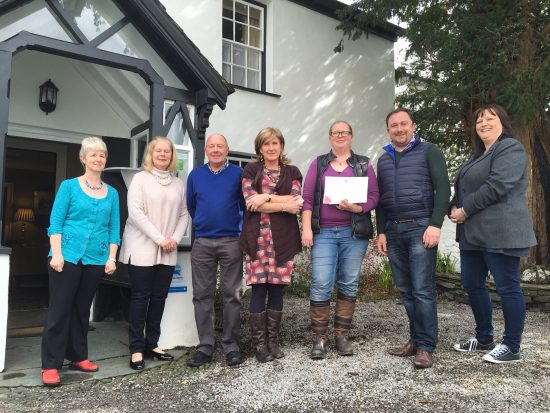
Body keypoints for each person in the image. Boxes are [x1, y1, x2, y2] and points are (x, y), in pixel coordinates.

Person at [449, 104, 536, 364]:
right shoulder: (477, 155)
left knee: (507, 287)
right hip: (472, 234)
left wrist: (465, 210)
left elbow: (497, 185)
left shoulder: (510, 148)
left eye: (490, 118)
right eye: (479, 120)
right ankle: (484, 338)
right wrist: (453, 206)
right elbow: (465, 188)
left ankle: (512, 346)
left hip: (501, 231)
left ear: (503, 122)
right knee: (471, 283)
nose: (483, 123)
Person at [41, 137, 120, 387]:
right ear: (83, 159)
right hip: (66, 255)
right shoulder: (69, 187)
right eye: (93, 155)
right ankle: (50, 364)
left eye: (102, 155)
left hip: (96, 258)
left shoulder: (113, 193)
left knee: (82, 309)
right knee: (60, 309)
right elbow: (55, 222)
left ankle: (78, 356)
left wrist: (111, 257)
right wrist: (56, 254)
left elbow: (114, 228)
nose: (98, 159)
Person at [376, 108, 450, 369]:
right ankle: (415, 340)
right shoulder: (383, 159)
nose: (399, 129)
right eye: (394, 125)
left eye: (403, 124)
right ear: (388, 130)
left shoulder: (429, 151)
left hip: (420, 227)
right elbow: (381, 199)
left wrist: (435, 224)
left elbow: (443, 189)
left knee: (422, 290)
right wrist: (381, 231)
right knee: (406, 290)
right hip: (394, 230)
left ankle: (426, 347)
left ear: (413, 126)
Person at [301, 121, 379, 359]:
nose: (340, 136)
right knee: (321, 281)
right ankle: (319, 338)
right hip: (323, 232)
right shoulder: (318, 164)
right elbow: (307, 199)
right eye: (335, 133)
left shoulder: (363, 164)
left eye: (344, 132)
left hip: (353, 233)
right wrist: (306, 229)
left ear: (351, 136)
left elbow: (375, 196)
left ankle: (341, 335)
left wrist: (358, 208)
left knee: (349, 283)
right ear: (330, 137)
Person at [119, 137, 189, 370]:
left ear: (172, 156)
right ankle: (136, 349)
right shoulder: (140, 179)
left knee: (159, 297)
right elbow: (136, 213)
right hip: (142, 247)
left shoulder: (178, 183)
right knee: (140, 298)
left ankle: (152, 343)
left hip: (168, 248)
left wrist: (174, 239)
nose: (162, 154)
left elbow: (184, 215)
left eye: (167, 151)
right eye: (158, 150)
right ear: (151, 154)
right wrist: (161, 239)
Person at [240, 127, 303, 363]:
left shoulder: (293, 171)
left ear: (281, 146)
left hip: (283, 240)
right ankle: (259, 345)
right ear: (260, 148)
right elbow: (250, 203)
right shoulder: (251, 170)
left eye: (275, 143)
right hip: (257, 240)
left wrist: (264, 197)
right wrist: (283, 205)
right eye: (266, 144)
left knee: (277, 289)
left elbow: (296, 200)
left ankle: (273, 342)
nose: (271, 148)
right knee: (259, 289)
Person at [186, 134, 245, 367]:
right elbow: (192, 206)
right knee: (202, 296)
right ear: (206, 151)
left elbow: (245, 205)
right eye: (212, 146)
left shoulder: (238, 174)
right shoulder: (195, 175)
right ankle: (205, 346)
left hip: (231, 241)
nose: (216, 150)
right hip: (203, 242)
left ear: (227, 150)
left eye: (220, 146)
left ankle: (231, 345)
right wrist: (205, 223)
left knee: (232, 294)